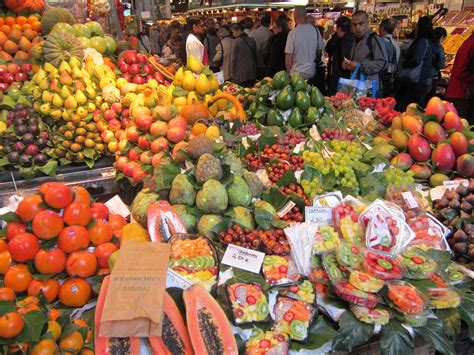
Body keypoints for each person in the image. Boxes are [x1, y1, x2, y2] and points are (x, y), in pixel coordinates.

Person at [395, 17, 442, 111]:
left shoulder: (422, 41)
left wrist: (405, 64)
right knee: (419, 108)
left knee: (411, 109)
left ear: (419, 27)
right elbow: (440, 63)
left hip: (419, 79)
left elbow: (416, 60)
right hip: (428, 80)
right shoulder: (435, 43)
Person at [342, 11, 387, 97]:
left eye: (360, 24)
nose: (357, 27)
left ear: (367, 23)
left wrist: (360, 66)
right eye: (354, 24)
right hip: (357, 87)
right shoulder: (355, 39)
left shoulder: (374, 39)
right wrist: (347, 65)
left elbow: (382, 62)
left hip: (370, 88)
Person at [285, 6, 324, 80]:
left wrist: (288, 73)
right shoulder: (315, 30)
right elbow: (319, 49)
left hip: (296, 74)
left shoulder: (293, 33)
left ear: (295, 17)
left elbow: (288, 57)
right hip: (312, 72)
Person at [446, 32, 474, 123]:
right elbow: (461, 71)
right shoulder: (471, 44)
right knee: (458, 126)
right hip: (461, 93)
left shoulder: (469, 42)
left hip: (459, 92)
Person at [325, 16, 355, 95]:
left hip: (340, 78)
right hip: (348, 78)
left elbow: (328, 48)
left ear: (339, 28)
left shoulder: (341, 40)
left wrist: (335, 36)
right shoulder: (353, 38)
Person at [230, 23, 257, 87]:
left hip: (240, 74)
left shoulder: (236, 42)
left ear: (238, 30)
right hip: (252, 72)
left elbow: (233, 59)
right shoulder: (252, 40)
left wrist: (232, 73)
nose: (233, 35)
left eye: (234, 32)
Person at [379, 17, 400, 96]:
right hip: (392, 77)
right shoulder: (396, 44)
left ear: (383, 27)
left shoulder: (382, 42)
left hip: (384, 76)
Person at [426, 27, 447, 103]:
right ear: (441, 37)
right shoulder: (438, 47)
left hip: (421, 76)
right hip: (432, 76)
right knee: (429, 101)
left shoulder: (425, 43)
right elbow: (441, 64)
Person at [249, 15, 272, 80]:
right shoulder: (270, 34)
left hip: (254, 61)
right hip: (264, 63)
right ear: (269, 23)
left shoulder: (253, 33)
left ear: (261, 23)